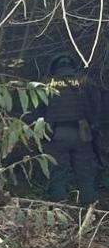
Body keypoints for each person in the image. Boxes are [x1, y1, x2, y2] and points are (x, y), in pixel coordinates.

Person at [42, 55, 100, 206]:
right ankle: (89, 208)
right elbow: (95, 106)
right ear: (73, 66)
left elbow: (39, 110)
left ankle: (59, 209)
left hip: (56, 135)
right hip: (82, 134)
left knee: (58, 173)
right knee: (85, 173)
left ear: (55, 67)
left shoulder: (47, 84)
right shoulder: (84, 82)